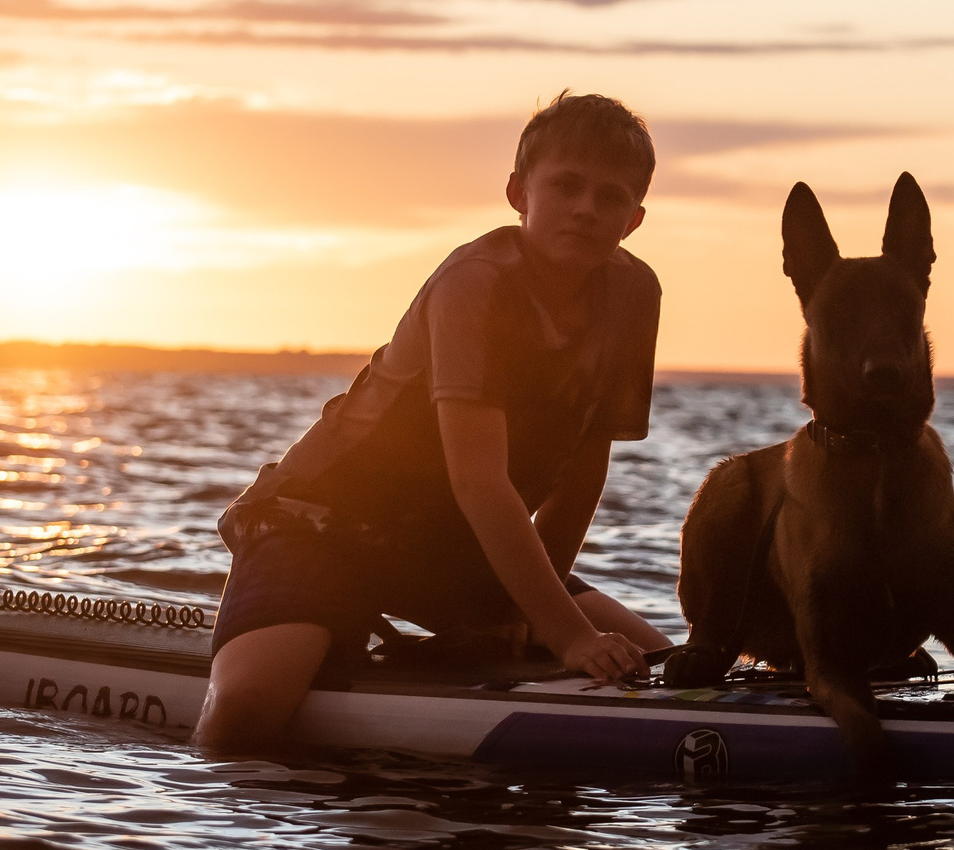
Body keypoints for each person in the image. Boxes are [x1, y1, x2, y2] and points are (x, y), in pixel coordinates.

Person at [195, 92, 671, 759]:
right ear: (518, 192)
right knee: (249, 707)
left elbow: (584, 473)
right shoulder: (475, 283)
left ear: (635, 219)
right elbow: (479, 482)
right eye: (566, 185)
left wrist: (527, 615)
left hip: (454, 548)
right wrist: (566, 636)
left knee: (660, 664)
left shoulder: (634, 296)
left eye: (610, 197)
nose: (587, 208)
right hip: (321, 525)